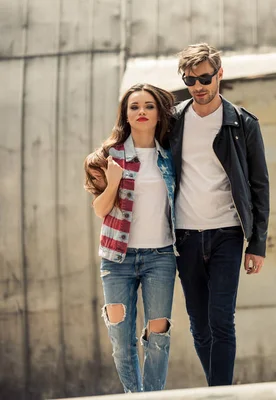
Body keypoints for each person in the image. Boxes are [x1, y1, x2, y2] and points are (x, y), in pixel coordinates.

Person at [169, 43, 270, 386]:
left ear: (219, 74)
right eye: (190, 80)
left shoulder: (242, 123)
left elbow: (260, 186)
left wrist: (257, 243)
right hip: (184, 236)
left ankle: (220, 394)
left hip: (227, 232)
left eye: (204, 78)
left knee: (221, 320)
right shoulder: (173, 122)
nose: (198, 86)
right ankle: (218, 388)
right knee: (199, 322)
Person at [83, 83, 178, 393]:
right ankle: (134, 397)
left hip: (160, 258)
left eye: (148, 106)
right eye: (134, 106)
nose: (141, 112)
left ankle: (152, 397)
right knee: (122, 342)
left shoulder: (171, 156)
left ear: (159, 113)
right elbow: (100, 210)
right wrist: (113, 183)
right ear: (125, 114)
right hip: (116, 260)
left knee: (158, 338)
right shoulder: (109, 156)